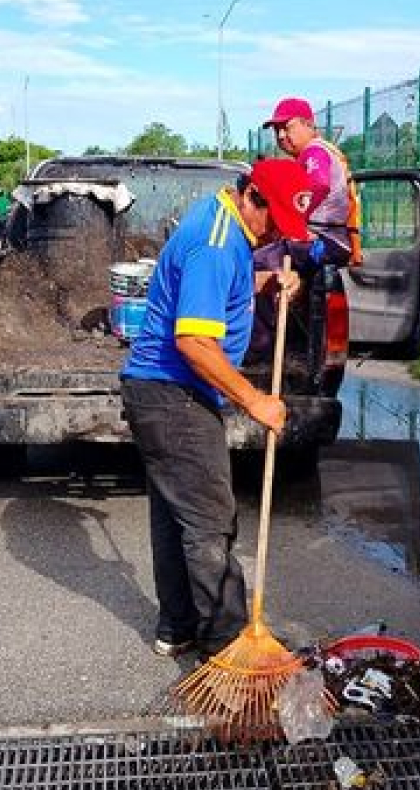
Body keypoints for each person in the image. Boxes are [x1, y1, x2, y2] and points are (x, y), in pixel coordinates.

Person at [120, 159, 311, 658]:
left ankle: (177, 627)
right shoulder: (216, 244)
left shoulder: (221, 220)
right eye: (274, 221)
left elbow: (217, 292)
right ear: (252, 197)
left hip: (157, 392)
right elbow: (195, 341)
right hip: (173, 395)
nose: (275, 235)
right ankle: (229, 646)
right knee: (210, 519)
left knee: (177, 516)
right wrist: (255, 402)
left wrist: (268, 280)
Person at [262, 96, 364, 269]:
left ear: (308, 125)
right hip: (333, 241)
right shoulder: (316, 152)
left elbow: (318, 185)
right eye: (276, 130)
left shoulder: (314, 152)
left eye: (286, 128)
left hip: (327, 241)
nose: (280, 136)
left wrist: (294, 224)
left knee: (254, 262)